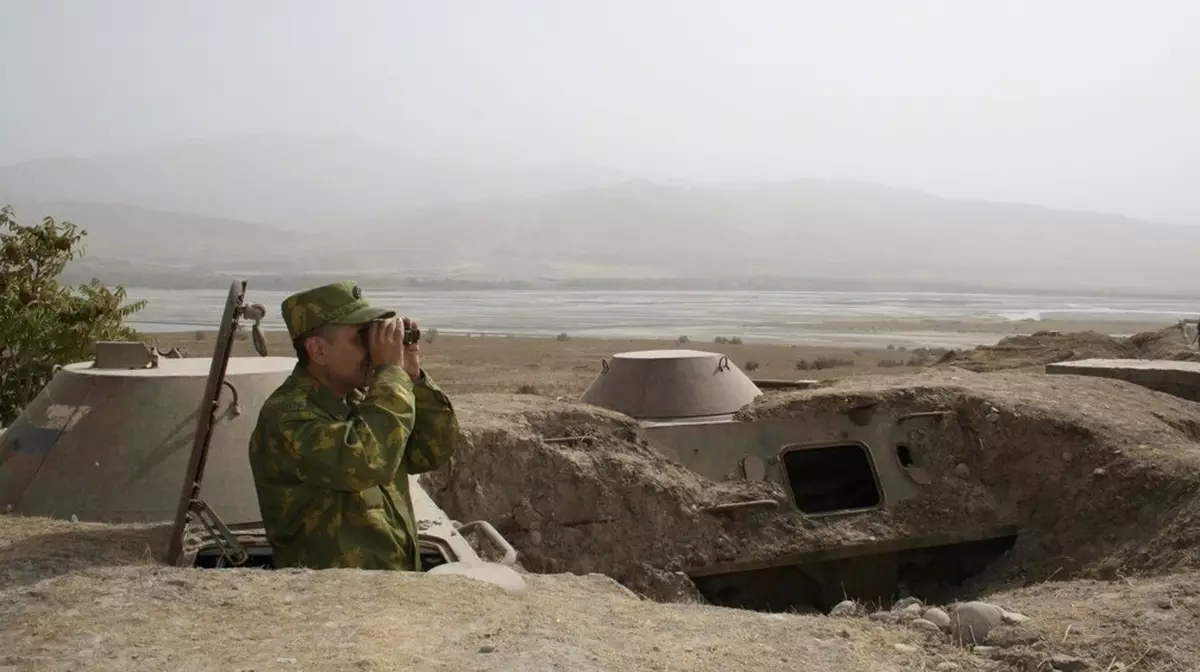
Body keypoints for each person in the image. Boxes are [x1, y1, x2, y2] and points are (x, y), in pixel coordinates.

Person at [248, 280, 459, 571]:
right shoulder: (287, 418)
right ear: (318, 351)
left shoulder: (363, 400)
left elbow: (431, 451)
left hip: (386, 587)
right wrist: (391, 375)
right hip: (330, 599)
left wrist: (412, 378)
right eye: (363, 338)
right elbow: (368, 462)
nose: (375, 350)